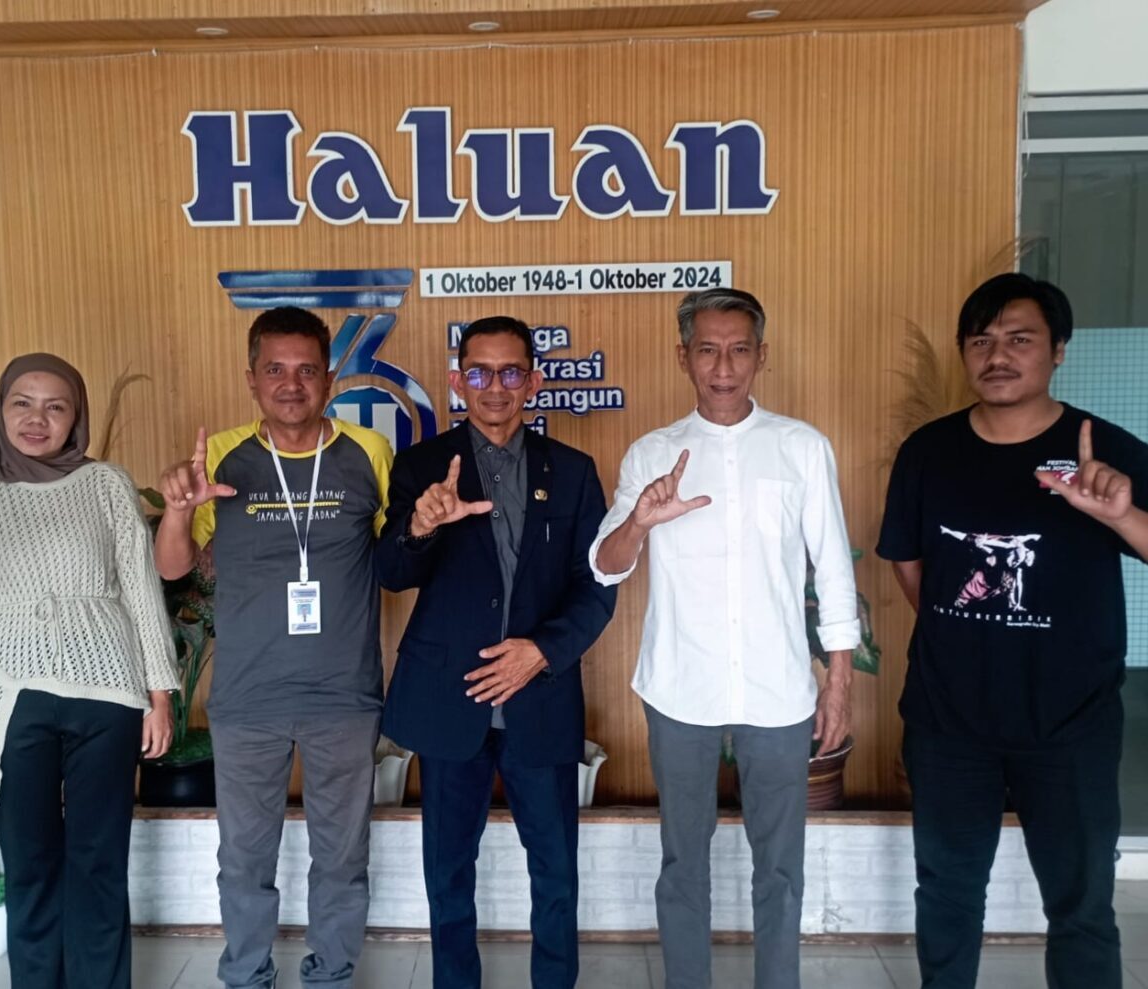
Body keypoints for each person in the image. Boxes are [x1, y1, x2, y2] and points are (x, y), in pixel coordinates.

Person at [878, 273, 1148, 988]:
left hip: (1071, 725)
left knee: (1081, 906)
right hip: (949, 724)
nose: (997, 355)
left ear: (1058, 350)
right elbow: (909, 561)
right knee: (947, 894)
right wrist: (967, 631)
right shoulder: (928, 451)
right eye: (981, 340)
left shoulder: (1103, 449)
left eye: (1019, 339)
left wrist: (1121, 514)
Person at [590, 288, 860, 989]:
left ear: (761, 356)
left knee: (780, 864)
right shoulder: (653, 453)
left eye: (739, 350)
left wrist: (838, 681)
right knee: (684, 860)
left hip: (778, 688)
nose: (723, 366)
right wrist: (641, 520)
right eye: (707, 350)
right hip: (681, 686)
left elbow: (833, 566)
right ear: (683, 357)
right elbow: (606, 564)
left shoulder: (801, 447)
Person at [0, 353, 180, 989]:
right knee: (30, 862)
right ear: (1, 410)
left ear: (76, 418)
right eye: (22, 402)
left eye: (55, 406)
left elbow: (141, 589)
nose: (36, 418)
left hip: (106, 689)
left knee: (100, 861)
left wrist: (160, 694)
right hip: (11, 694)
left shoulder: (105, 483)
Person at [155, 306, 392, 989]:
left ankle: (332, 976)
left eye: (307, 370)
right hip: (247, 697)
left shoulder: (368, 453)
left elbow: (397, 553)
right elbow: (172, 568)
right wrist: (178, 511)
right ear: (252, 378)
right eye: (276, 369)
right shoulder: (222, 456)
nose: (292, 384)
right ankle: (246, 975)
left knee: (342, 857)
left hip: (343, 695)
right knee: (245, 858)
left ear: (330, 378)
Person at [376, 315, 615, 989]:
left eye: (511, 372)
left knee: (556, 873)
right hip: (451, 699)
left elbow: (598, 585)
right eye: (479, 372)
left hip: (539, 696)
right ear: (458, 382)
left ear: (532, 382)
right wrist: (420, 526)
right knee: (449, 874)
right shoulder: (423, 467)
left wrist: (541, 651)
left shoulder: (573, 472)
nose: (495, 387)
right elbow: (392, 572)